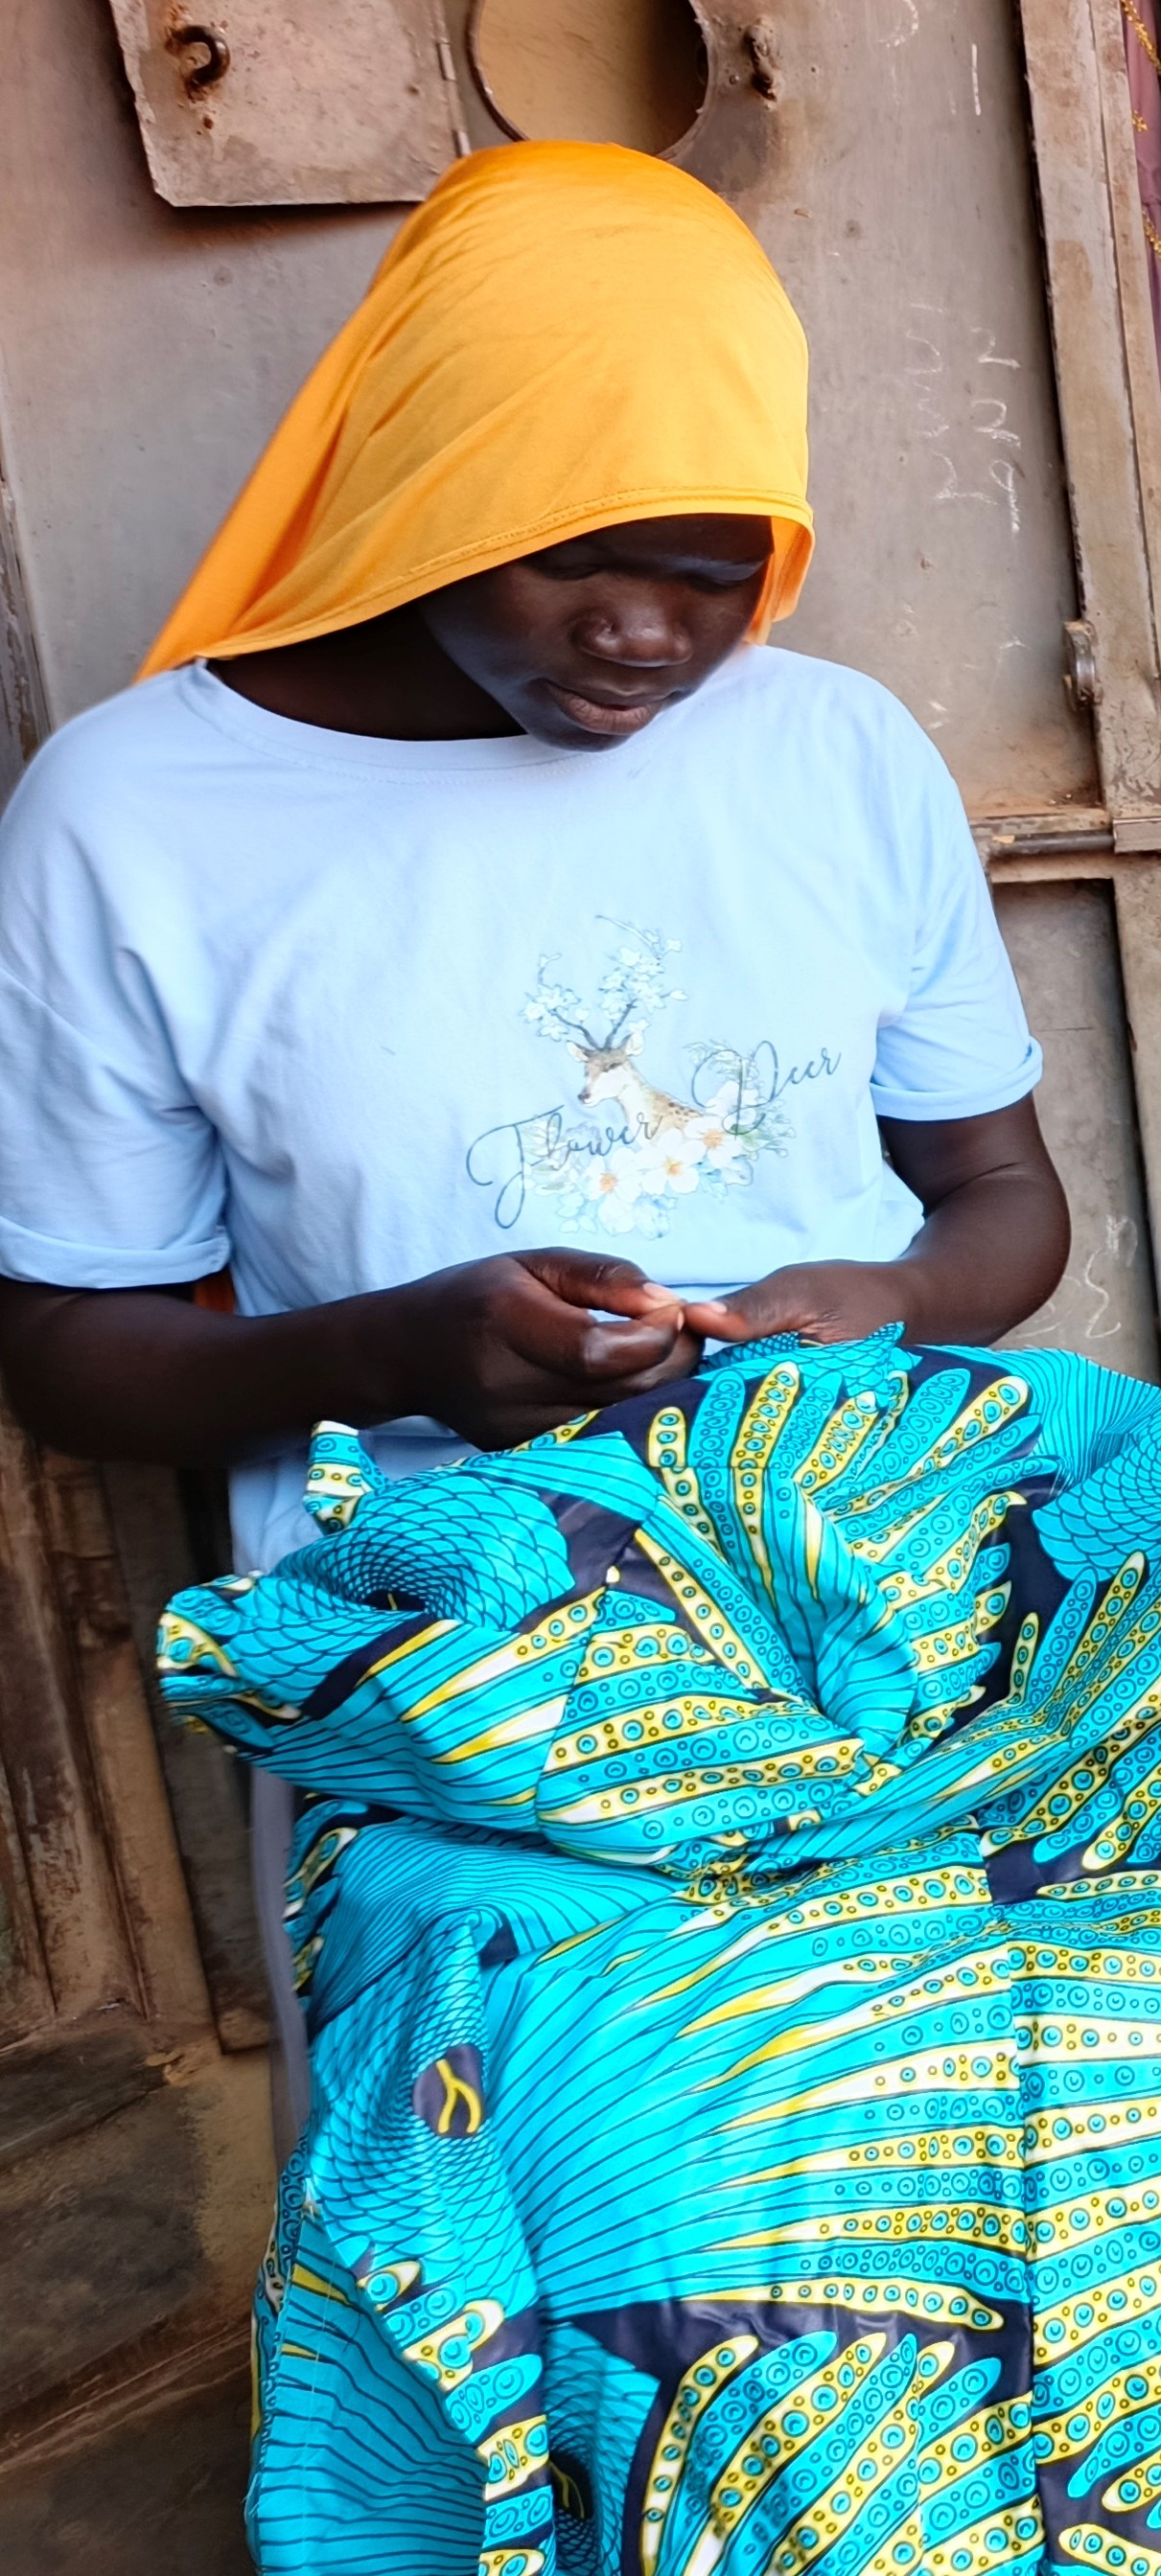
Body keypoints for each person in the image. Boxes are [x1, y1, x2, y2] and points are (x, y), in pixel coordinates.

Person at [0, 141, 1069, 2099]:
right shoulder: (135, 818)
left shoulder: (832, 754)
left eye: (714, 565)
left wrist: (883, 1304)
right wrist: (400, 1349)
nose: (647, 634)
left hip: (881, 1577)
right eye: (572, 550)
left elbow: (999, 1199)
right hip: (460, 1668)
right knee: (636, 2206)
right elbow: (68, 1347)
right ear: (424, 478)